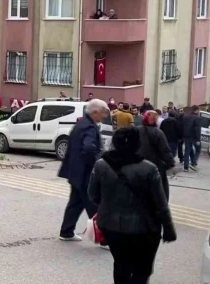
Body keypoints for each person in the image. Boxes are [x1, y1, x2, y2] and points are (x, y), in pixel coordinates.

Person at [89, 127, 177, 284]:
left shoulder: (101, 165)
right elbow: (161, 204)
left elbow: (93, 195)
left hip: (110, 225)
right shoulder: (149, 168)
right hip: (144, 229)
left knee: (120, 264)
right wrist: (169, 229)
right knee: (142, 269)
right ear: (138, 144)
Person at [58, 99, 109, 242]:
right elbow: (89, 148)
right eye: (103, 113)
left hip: (76, 172)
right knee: (94, 206)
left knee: (75, 203)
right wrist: (98, 163)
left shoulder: (81, 124)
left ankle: (66, 232)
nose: (104, 116)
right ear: (95, 112)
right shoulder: (89, 128)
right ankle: (105, 239)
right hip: (85, 174)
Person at [138, 111, 176, 200]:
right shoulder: (158, 133)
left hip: (138, 164)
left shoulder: (136, 130)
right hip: (155, 165)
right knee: (159, 190)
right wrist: (171, 164)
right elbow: (165, 150)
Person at [181, 105, 202, 172]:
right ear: (196, 110)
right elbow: (197, 129)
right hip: (194, 137)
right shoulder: (197, 118)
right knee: (198, 149)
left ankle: (185, 167)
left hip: (186, 137)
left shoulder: (185, 117)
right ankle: (193, 163)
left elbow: (183, 127)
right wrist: (198, 139)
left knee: (187, 151)